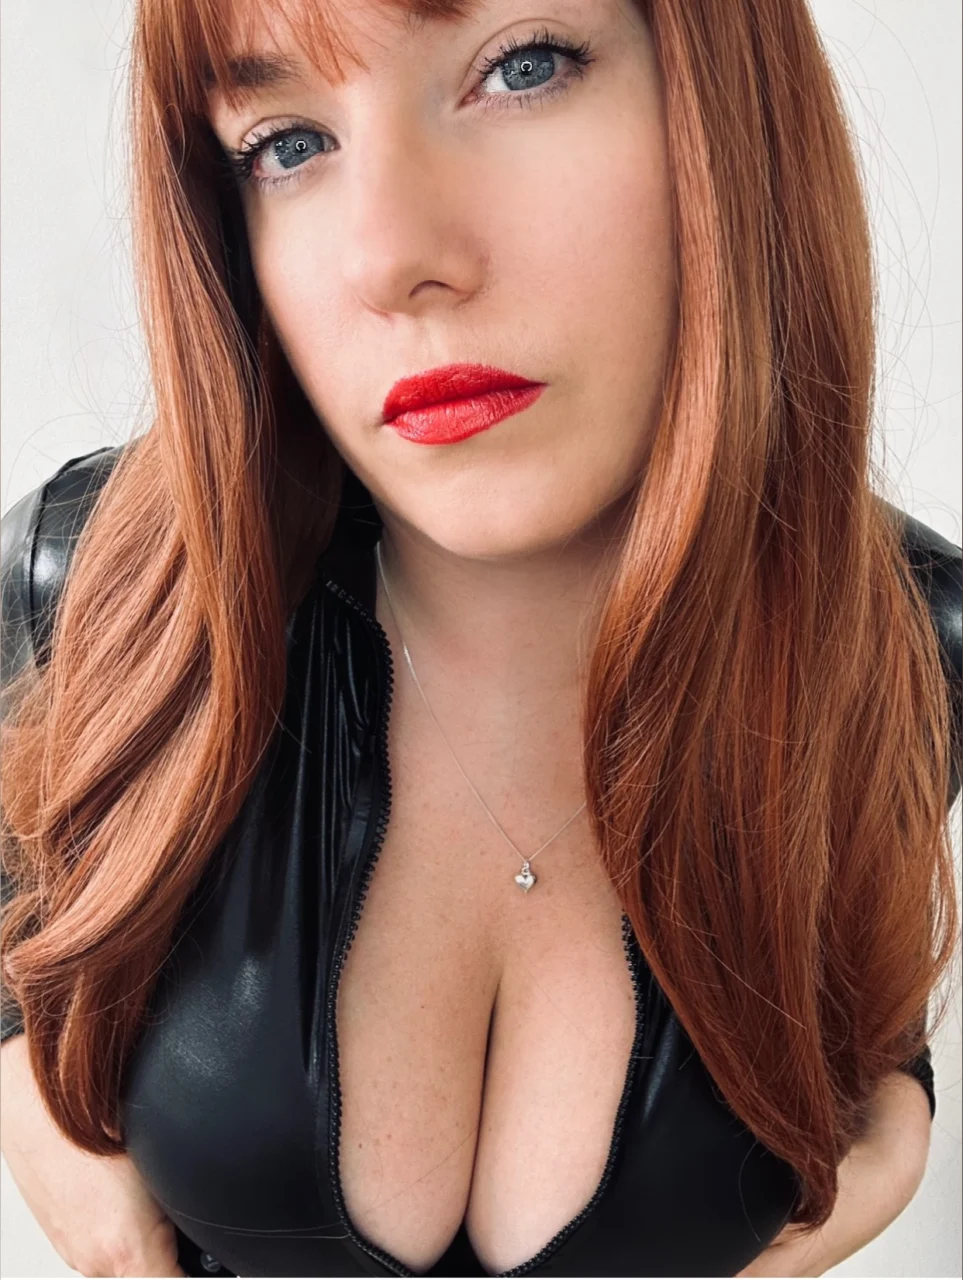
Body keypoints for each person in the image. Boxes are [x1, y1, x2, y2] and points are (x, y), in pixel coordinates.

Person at [1, 0, 960, 1277]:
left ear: (730, 110)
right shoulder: (86, 584)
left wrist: (888, 1148)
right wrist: (59, 1157)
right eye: (286, 143)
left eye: (524, 66)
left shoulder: (908, 643)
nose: (390, 256)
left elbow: (857, 984)